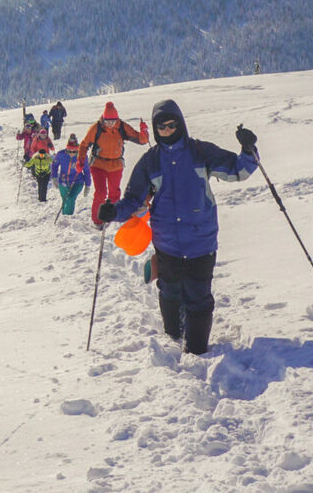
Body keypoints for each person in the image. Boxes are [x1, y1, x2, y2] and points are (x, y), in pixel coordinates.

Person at [97, 100, 258, 355]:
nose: (167, 130)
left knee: (198, 297)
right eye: (161, 127)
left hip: (201, 241)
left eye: (172, 125)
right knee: (170, 292)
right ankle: (173, 339)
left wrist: (248, 150)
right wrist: (112, 212)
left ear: (180, 124)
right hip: (167, 243)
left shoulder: (201, 152)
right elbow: (133, 201)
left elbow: (238, 170)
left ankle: (197, 351)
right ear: (155, 129)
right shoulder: (150, 162)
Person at [76, 102, 148, 225]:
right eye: (107, 121)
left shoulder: (122, 127)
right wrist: (81, 160)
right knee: (101, 192)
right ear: (103, 119)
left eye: (112, 121)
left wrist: (144, 131)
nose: (110, 124)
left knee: (115, 193)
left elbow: (141, 140)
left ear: (117, 119)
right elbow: (84, 145)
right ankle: (97, 220)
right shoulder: (96, 128)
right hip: (98, 164)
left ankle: (113, 218)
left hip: (116, 165)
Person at [52, 134, 90, 215]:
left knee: (70, 198)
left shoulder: (82, 156)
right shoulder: (61, 154)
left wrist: (87, 185)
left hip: (77, 181)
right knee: (65, 200)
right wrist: (54, 178)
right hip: (63, 181)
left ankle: (68, 218)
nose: (71, 153)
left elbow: (86, 171)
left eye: (74, 151)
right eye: (69, 150)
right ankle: (63, 217)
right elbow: (54, 166)